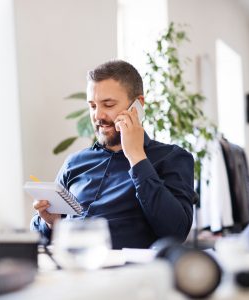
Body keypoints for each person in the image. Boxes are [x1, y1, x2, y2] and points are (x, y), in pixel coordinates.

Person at [30, 60, 195, 249]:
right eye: (92, 106)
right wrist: (51, 223)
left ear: (137, 105)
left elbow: (176, 231)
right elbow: (38, 237)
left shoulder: (172, 158)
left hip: (127, 274)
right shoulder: (74, 163)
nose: (98, 116)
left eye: (108, 105)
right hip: (71, 270)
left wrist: (136, 157)